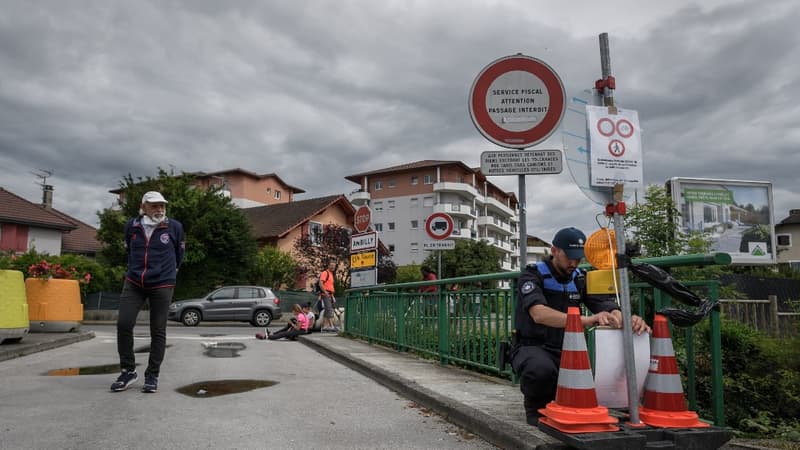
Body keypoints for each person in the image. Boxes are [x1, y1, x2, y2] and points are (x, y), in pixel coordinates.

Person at [509, 227, 650, 425]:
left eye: (579, 258)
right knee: (540, 370)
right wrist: (586, 320)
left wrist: (624, 317)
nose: (574, 263)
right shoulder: (532, 275)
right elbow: (539, 314)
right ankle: (535, 409)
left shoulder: (580, 277)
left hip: (567, 348)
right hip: (532, 346)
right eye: (569, 257)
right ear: (554, 250)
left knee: (596, 376)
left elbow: (602, 304)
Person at [111, 191, 185, 393]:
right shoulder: (131, 226)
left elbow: (179, 255)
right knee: (124, 324)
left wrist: (170, 274)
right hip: (134, 281)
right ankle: (128, 371)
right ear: (143, 207)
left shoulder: (174, 227)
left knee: (158, 330)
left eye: (162, 205)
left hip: (162, 284)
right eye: (154, 206)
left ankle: (152, 375)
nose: (160, 209)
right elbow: (129, 251)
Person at [318, 260, 338, 332]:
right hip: (326, 294)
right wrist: (325, 292)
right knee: (329, 309)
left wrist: (332, 296)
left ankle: (324, 326)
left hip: (329, 294)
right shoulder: (325, 273)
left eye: (334, 266)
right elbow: (321, 283)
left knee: (327, 310)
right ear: (328, 266)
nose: (333, 267)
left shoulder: (331, 274)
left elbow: (330, 286)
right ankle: (331, 326)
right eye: (331, 265)